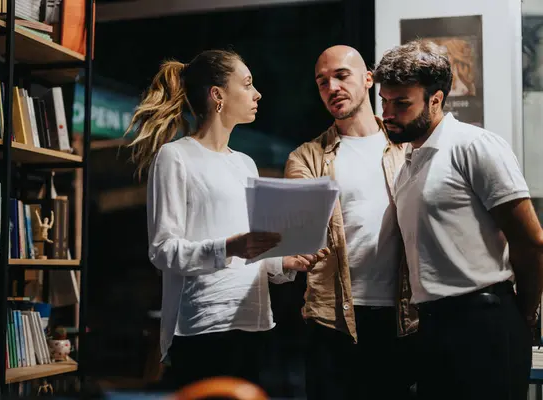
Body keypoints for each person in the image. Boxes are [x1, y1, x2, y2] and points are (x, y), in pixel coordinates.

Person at [125, 49, 330, 391]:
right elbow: (162, 251)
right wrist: (230, 245)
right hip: (204, 325)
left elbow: (250, 252)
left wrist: (283, 260)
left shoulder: (246, 164)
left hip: (255, 320)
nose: (257, 93)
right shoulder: (175, 157)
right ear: (217, 95)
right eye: (247, 84)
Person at [373, 39, 543, 400]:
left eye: (401, 103)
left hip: (485, 322)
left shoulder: (475, 145)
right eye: (384, 101)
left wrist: (524, 314)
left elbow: (530, 242)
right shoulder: (408, 163)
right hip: (433, 326)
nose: (388, 113)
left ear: (435, 99)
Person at [284, 45, 418, 400]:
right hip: (332, 319)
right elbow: (294, 234)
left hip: (402, 316)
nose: (332, 87)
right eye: (323, 82)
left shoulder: (408, 148)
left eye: (341, 76)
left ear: (368, 79)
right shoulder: (307, 157)